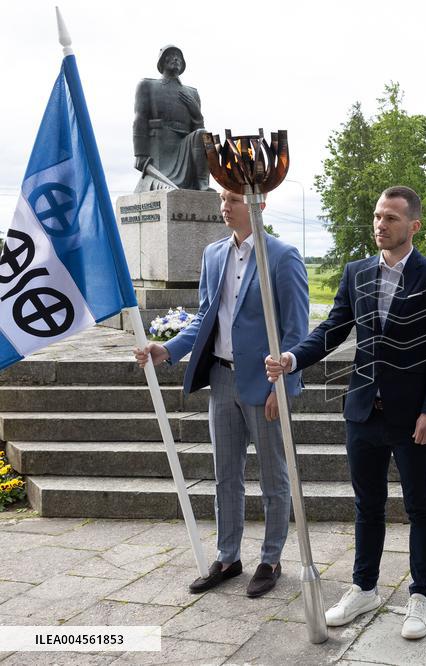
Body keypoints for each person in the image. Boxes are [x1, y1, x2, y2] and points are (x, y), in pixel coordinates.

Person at [265, 185, 426, 640]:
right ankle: (364, 587)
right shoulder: (356, 273)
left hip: (411, 417)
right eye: (376, 216)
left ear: (413, 226)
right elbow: (333, 328)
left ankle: (420, 595)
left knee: (420, 506)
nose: (380, 224)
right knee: (366, 505)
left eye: (390, 218)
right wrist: (292, 359)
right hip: (362, 412)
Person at [134, 188, 309, 597]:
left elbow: (297, 331)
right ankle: (228, 557)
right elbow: (204, 318)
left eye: (233, 200)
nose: (224, 207)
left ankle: (271, 559)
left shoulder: (282, 256)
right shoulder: (214, 254)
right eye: (222, 200)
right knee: (225, 477)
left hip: (265, 384)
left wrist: (283, 385)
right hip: (222, 379)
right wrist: (167, 349)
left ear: (258, 206)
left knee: (273, 477)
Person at [132, 45, 211, 192]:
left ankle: (202, 182)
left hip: (185, 144)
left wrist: (197, 114)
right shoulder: (147, 85)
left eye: (178, 56)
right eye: (171, 55)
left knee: (204, 135)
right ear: (162, 61)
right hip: (161, 144)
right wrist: (140, 153)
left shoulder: (192, 93)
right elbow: (140, 119)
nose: (175, 58)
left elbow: (199, 128)